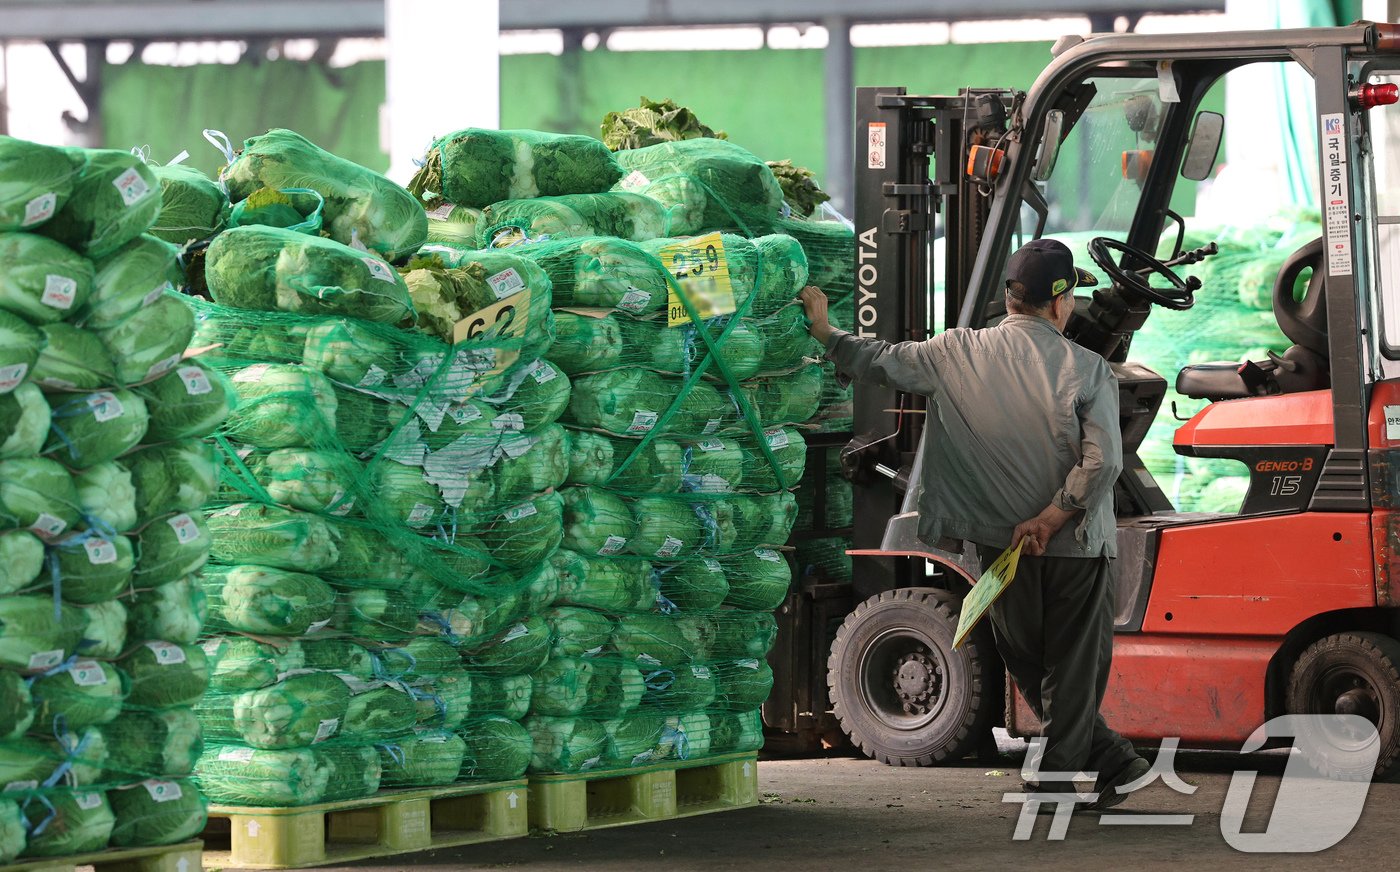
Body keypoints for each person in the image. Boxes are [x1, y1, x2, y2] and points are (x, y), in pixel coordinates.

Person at [799, 238, 1149, 809]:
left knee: (1029, 664)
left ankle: (1066, 777)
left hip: (1002, 546)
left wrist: (824, 330)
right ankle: (1114, 762)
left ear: (1011, 298)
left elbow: (879, 358)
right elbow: (1104, 460)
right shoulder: (1087, 369)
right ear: (1059, 303)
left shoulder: (954, 352)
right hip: (1075, 545)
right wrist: (1055, 514)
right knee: (1068, 668)